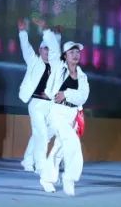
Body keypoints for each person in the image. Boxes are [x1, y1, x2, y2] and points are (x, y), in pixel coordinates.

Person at [39, 38, 90, 196]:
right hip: (58, 112)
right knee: (72, 142)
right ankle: (69, 178)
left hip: (72, 114)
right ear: (65, 55)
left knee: (59, 149)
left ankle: (47, 179)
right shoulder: (58, 69)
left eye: (77, 52)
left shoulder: (82, 76)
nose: (75, 55)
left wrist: (66, 94)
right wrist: (61, 95)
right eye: (71, 52)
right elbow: (52, 92)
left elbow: (83, 97)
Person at [17, 17, 61, 173]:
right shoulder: (34, 61)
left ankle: (28, 160)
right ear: (40, 50)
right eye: (44, 49)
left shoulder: (56, 64)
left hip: (51, 105)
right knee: (41, 133)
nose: (47, 51)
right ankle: (40, 166)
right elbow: (26, 48)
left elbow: (56, 48)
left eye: (49, 49)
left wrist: (54, 34)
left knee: (43, 134)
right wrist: (22, 32)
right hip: (36, 104)